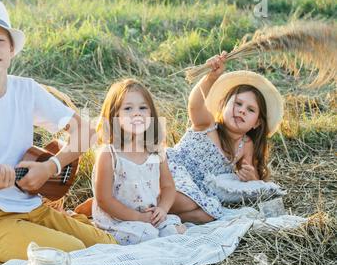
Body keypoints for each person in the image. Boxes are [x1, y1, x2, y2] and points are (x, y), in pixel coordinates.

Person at [0, 0, 116, 264]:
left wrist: (51, 166)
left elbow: (85, 132)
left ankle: (15, 244)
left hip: (34, 207)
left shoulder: (26, 90)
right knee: (71, 252)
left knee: (106, 246)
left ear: (11, 49)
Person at [167, 52, 284, 223]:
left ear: (257, 123)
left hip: (198, 191)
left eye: (250, 110)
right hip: (172, 173)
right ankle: (157, 208)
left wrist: (252, 178)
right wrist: (210, 78)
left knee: (209, 214)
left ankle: (159, 217)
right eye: (238, 103)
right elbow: (195, 105)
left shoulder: (246, 145)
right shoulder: (208, 126)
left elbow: (252, 177)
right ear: (223, 106)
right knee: (184, 199)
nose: (242, 110)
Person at [91, 78, 186, 245]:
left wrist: (162, 209)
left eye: (143, 108)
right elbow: (104, 199)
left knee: (170, 228)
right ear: (115, 116)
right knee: (148, 235)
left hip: (148, 216)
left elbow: (168, 187)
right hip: (116, 221)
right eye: (128, 108)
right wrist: (138, 218)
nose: (137, 113)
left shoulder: (156, 151)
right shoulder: (109, 154)